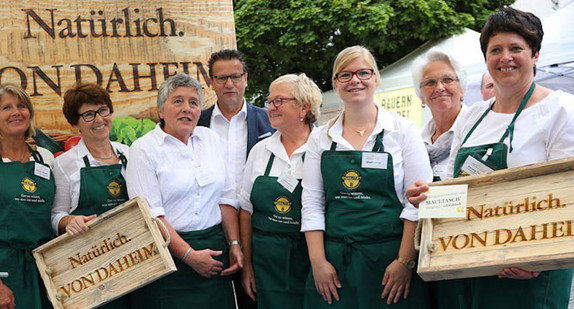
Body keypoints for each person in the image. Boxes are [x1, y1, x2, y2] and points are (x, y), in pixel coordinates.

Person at [407, 7, 574, 309]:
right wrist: (429, 198)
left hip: (530, 274)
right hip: (470, 263)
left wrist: (539, 261)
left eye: (516, 48)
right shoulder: (473, 117)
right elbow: (455, 188)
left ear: (535, 54)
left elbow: (567, 199)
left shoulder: (561, 110)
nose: (504, 57)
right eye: (495, 50)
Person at [301, 46, 432, 308]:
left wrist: (405, 262)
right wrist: (318, 263)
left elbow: (420, 201)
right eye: (345, 75)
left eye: (363, 72)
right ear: (335, 83)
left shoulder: (402, 130)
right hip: (335, 265)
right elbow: (312, 204)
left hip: (390, 264)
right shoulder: (321, 138)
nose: (355, 80)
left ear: (375, 78)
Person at [126, 73, 242, 308]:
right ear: (161, 110)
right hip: (170, 259)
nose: (186, 109)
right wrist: (190, 256)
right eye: (177, 101)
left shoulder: (211, 140)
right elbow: (150, 216)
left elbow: (226, 199)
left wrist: (234, 244)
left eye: (193, 102)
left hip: (215, 253)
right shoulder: (143, 150)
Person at [198, 48, 274, 308]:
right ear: (211, 82)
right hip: (212, 228)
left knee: (258, 296)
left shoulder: (269, 122)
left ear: (246, 78)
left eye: (235, 76)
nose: (229, 84)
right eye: (221, 78)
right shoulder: (197, 123)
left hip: (261, 226)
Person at [239, 73, 321, 308]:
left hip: (312, 264)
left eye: (279, 101)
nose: (271, 107)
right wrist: (248, 266)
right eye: (269, 101)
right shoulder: (260, 150)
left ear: (303, 108)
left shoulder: (324, 148)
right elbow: (246, 211)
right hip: (268, 267)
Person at [50, 83, 130, 308]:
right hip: (91, 268)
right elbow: (55, 215)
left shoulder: (130, 154)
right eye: (88, 114)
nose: (99, 119)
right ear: (75, 124)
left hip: (134, 255)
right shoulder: (64, 163)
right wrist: (69, 222)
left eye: (103, 110)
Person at [0, 83, 54, 309]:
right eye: (6, 108)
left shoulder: (45, 157)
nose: (16, 112)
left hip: (47, 268)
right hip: (6, 272)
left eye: (21, 106)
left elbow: (56, 213)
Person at [411, 47, 467, 182]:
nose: (440, 88)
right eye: (430, 82)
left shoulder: (477, 131)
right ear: (421, 96)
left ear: (462, 90)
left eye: (448, 79)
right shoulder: (415, 141)